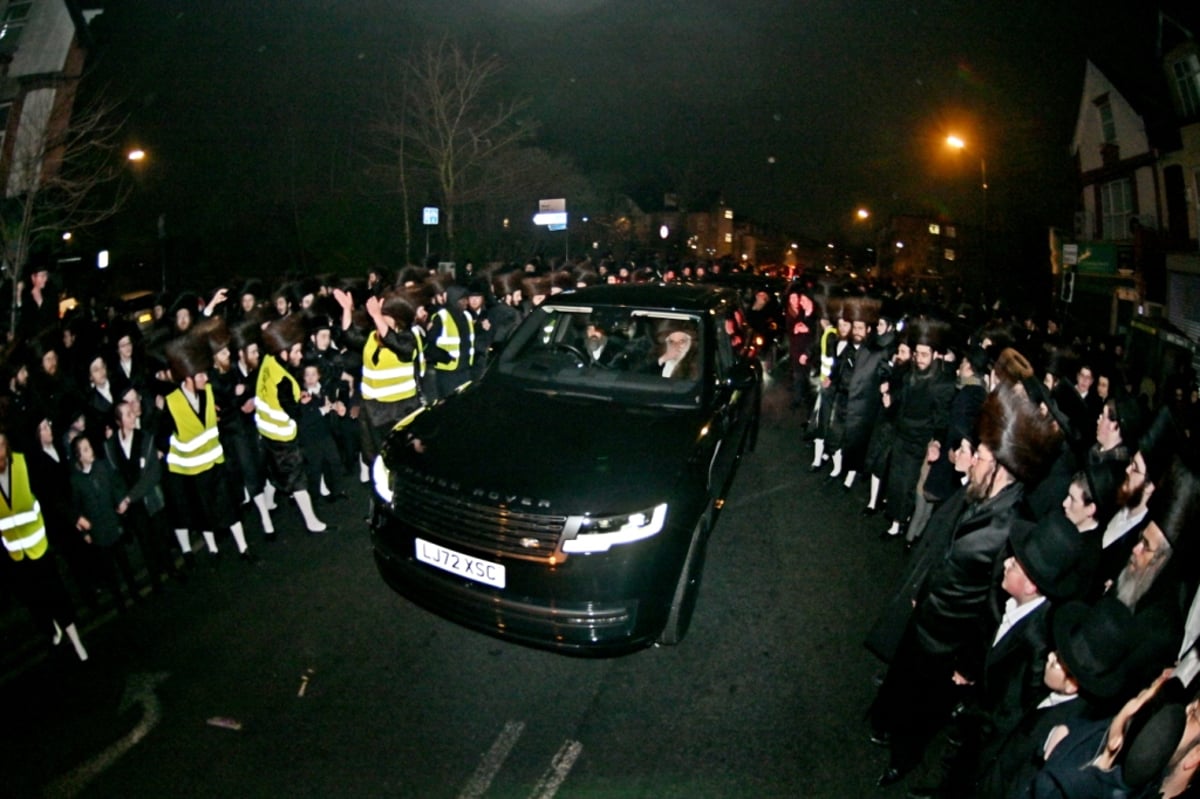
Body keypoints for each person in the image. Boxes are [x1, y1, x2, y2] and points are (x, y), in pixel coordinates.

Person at [868, 384, 1063, 788]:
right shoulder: (979, 495)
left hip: (949, 643)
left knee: (922, 709)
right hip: (928, 615)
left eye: (979, 455)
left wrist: (969, 664)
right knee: (901, 684)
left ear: (1001, 468)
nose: (970, 458)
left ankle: (903, 759)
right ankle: (885, 724)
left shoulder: (1009, 527)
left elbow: (994, 603)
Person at [158, 331, 253, 563]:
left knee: (229, 506)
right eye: (200, 375)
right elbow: (162, 438)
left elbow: (222, 411)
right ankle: (213, 551)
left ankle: (244, 548)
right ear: (187, 378)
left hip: (216, 463)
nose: (205, 378)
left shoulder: (209, 392)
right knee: (205, 513)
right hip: (193, 471)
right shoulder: (171, 403)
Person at [0, 430, 88, 662]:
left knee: (56, 594)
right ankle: (53, 630)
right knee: (36, 601)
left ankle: (77, 643)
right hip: (15, 554)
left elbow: (49, 497)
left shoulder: (22, 463)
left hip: (39, 547)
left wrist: (73, 517)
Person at [255, 315, 330, 534]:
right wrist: (302, 402)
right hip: (283, 438)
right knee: (298, 480)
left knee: (273, 473)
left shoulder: (268, 361)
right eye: (296, 351)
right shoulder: (284, 381)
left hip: (266, 434)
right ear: (283, 352)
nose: (300, 355)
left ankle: (269, 503)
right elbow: (294, 412)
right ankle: (311, 521)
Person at [70, 435, 141, 611]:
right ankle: (120, 602)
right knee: (110, 571)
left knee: (124, 562)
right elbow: (77, 508)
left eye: (89, 447)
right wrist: (84, 533)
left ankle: (135, 593)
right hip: (98, 531)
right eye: (85, 449)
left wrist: (120, 504)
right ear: (79, 456)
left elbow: (114, 486)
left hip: (112, 522)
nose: (90, 451)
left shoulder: (101, 467)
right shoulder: (76, 480)